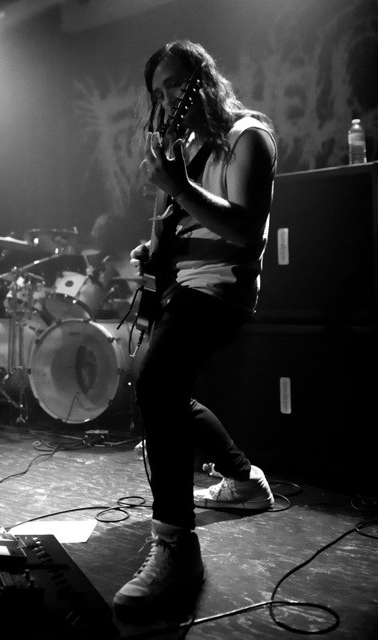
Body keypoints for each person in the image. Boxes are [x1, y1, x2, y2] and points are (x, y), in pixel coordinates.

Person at [113, 40, 277, 619]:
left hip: (222, 289)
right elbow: (167, 231)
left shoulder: (247, 137)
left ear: (205, 81)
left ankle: (177, 549)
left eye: (177, 85)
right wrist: (153, 249)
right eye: (158, 93)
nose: (168, 100)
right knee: (165, 390)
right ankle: (244, 480)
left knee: (157, 383)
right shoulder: (182, 150)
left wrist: (181, 185)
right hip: (181, 287)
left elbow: (245, 229)